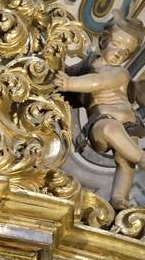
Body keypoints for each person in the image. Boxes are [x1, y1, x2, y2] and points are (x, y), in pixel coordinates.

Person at [55, 12, 145, 209]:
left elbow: (98, 82)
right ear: (104, 40)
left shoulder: (120, 72)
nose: (119, 53)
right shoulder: (91, 63)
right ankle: (141, 157)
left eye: (125, 52)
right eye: (116, 44)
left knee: (125, 161)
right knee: (110, 128)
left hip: (129, 123)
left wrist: (69, 83)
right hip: (101, 122)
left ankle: (119, 198)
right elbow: (72, 73)